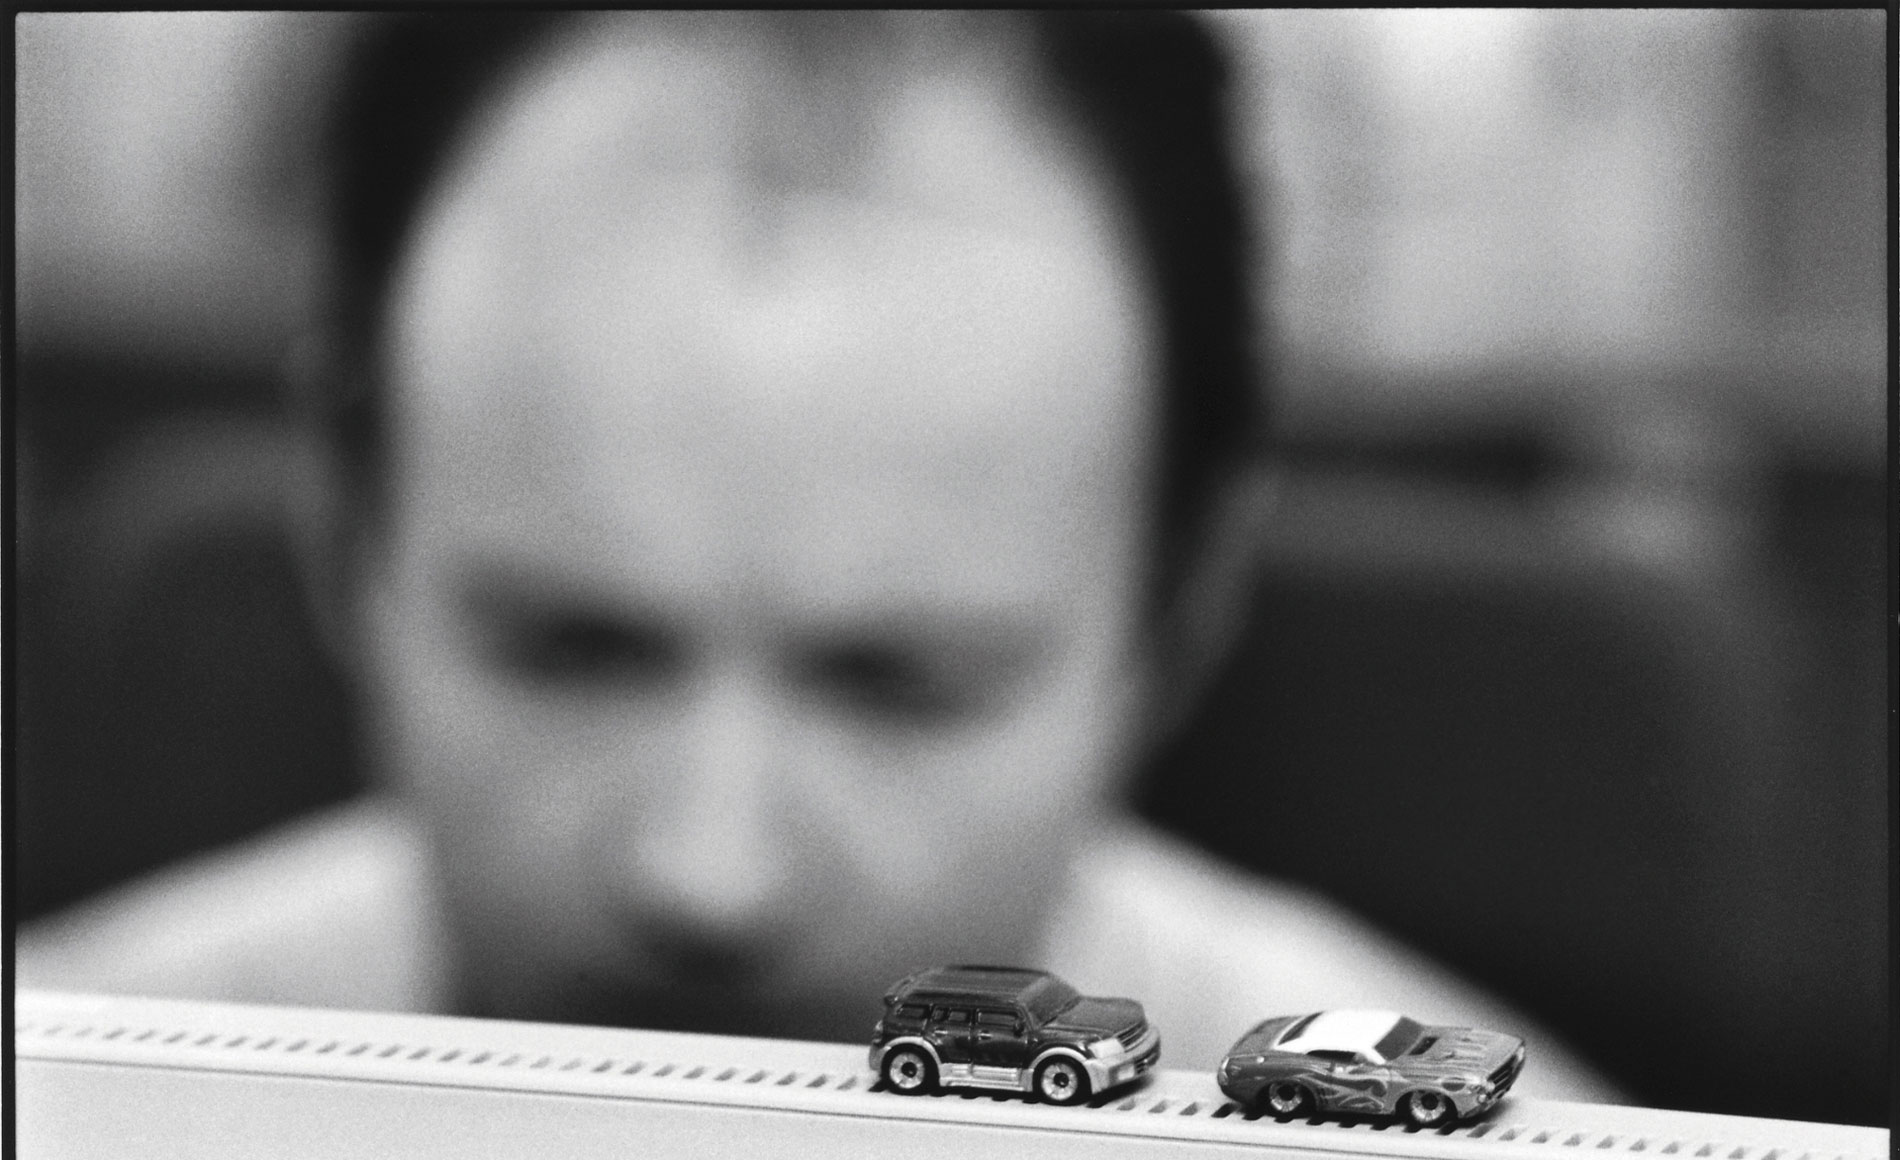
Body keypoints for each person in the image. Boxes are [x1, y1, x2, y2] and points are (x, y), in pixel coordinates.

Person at [18, 10, 1618, 1100]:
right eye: (569, 649)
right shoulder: (55, 1116)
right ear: (344, 532)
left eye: (905, 687)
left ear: (1186, 602)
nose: (712, 875)